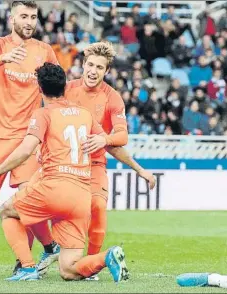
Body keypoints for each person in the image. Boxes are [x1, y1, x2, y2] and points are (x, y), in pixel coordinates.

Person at [0, 62, 129, 282]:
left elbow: (26, 150)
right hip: (81, 197)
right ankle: (106, 257)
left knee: (8, 210)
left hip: (54, 187)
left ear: (40, 89)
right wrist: (140, 170)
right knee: (69, 269)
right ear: (65, 86)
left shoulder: (43, 114)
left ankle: (28, 268)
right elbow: (111, 145)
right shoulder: (84, 114)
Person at [34, 41, 157, 280]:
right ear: (82, 64)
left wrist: (104, 140)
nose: (93, 70)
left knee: (98, 207)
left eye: (99, 67)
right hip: (61, 164)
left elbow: (121, 136)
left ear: (107, 71)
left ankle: (91, 265)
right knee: (37, 205)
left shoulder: (112, 98)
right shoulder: (66, 89)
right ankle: (45, 251)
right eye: (90, 64)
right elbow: (45, 119)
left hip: (94, 165)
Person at [0, 1, 60, 276]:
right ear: (12, 19)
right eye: (24, 16)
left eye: (33, 16)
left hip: (28, 138)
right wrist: (4, 58)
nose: (29, 21)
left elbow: (56, 86)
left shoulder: (44, 51)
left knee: (26, 200)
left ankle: (30, 257)